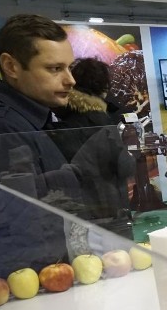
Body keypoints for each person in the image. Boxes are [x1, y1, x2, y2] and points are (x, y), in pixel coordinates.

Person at [0, 13, 79, 281]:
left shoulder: (29, 120)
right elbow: (16, 229)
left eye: (70, 67)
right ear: (11, 66)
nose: (70, 80)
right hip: (23, 281)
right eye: (55, 68)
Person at [53, 57, 135, 236]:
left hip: (78, 210)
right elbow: (123, 166)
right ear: (103, 87)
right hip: (108, 208)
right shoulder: (99, 119)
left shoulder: (63, 117)